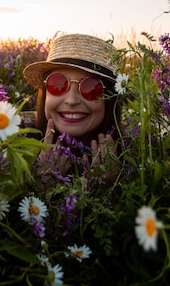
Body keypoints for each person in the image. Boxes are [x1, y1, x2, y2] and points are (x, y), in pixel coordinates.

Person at [22, 33, 124, 192]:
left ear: (109, 101)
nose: (71, 100)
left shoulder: (135, 149)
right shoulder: (15, 135)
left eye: (91, 88)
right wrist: (37, 188)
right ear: (45, 93)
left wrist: (112, 189)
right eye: (58, 84)